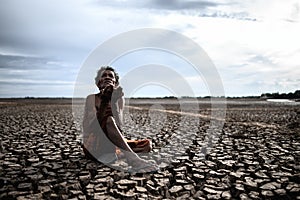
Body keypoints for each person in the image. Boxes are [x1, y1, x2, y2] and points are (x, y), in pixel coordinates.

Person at [82, 66, 157, 173]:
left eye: (110, 76)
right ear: (98, 83)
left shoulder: (119, 98)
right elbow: (93, 126)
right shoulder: (91, 98)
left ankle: (117, 152)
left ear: (115, 83)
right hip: (94, 145)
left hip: (110, 144)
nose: (107, 77)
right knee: (108, 120)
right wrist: (104, 101)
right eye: (104, 75)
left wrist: (113, 102)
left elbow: (119, 126)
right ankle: (133, 159)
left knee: (147, 145)